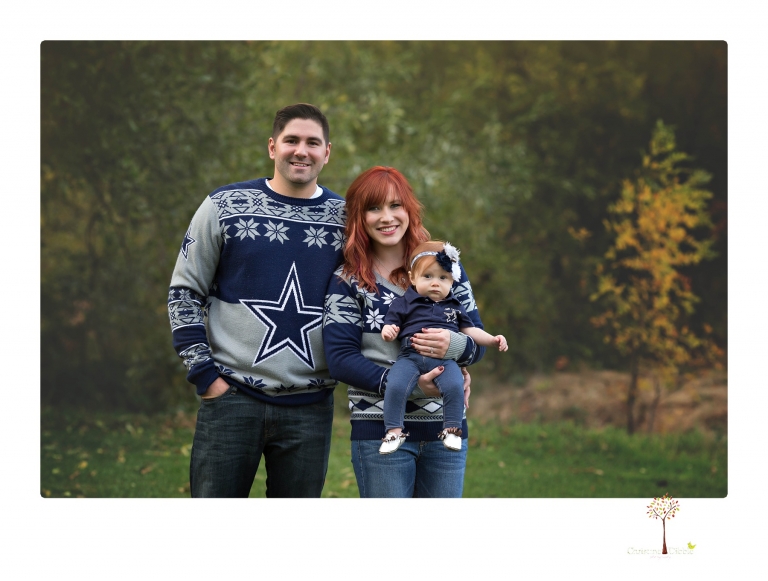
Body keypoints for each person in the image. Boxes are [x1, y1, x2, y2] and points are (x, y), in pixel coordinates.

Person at [167, 103, 345, 497]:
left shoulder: (346, 221)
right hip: (230, 398)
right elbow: (184, 291)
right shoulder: (223, 206)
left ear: (327, 152)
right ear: (272, 147)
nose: (302, 151)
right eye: (291, 140)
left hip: (309, 407)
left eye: (313, 142)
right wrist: (206, 377)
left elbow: (385, 294)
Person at [323, 166, 487, 498]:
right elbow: (340, 359)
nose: (387, 217)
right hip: (378, 432)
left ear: (409, 208)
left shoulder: (444, 268)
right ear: (359, 217)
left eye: (395, 205)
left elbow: (477, 342)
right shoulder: (346, 280)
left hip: (446, 432)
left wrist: (453, 344)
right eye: (374, 208)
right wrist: (413, 386)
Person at [380, 240, 508, 454]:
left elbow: (470, 330)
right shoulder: (405, 301)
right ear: (412, 278)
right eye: (427, 277)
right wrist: (388, 332)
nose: (435, 283)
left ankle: (451, 429)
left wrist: (492, 339)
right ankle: (393, 431)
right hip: (409, 357)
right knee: (395, 385)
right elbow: (391, 324)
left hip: (444, 361)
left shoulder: (455, 305)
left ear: (452, 281)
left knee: (454, 384)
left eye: (443, 278)